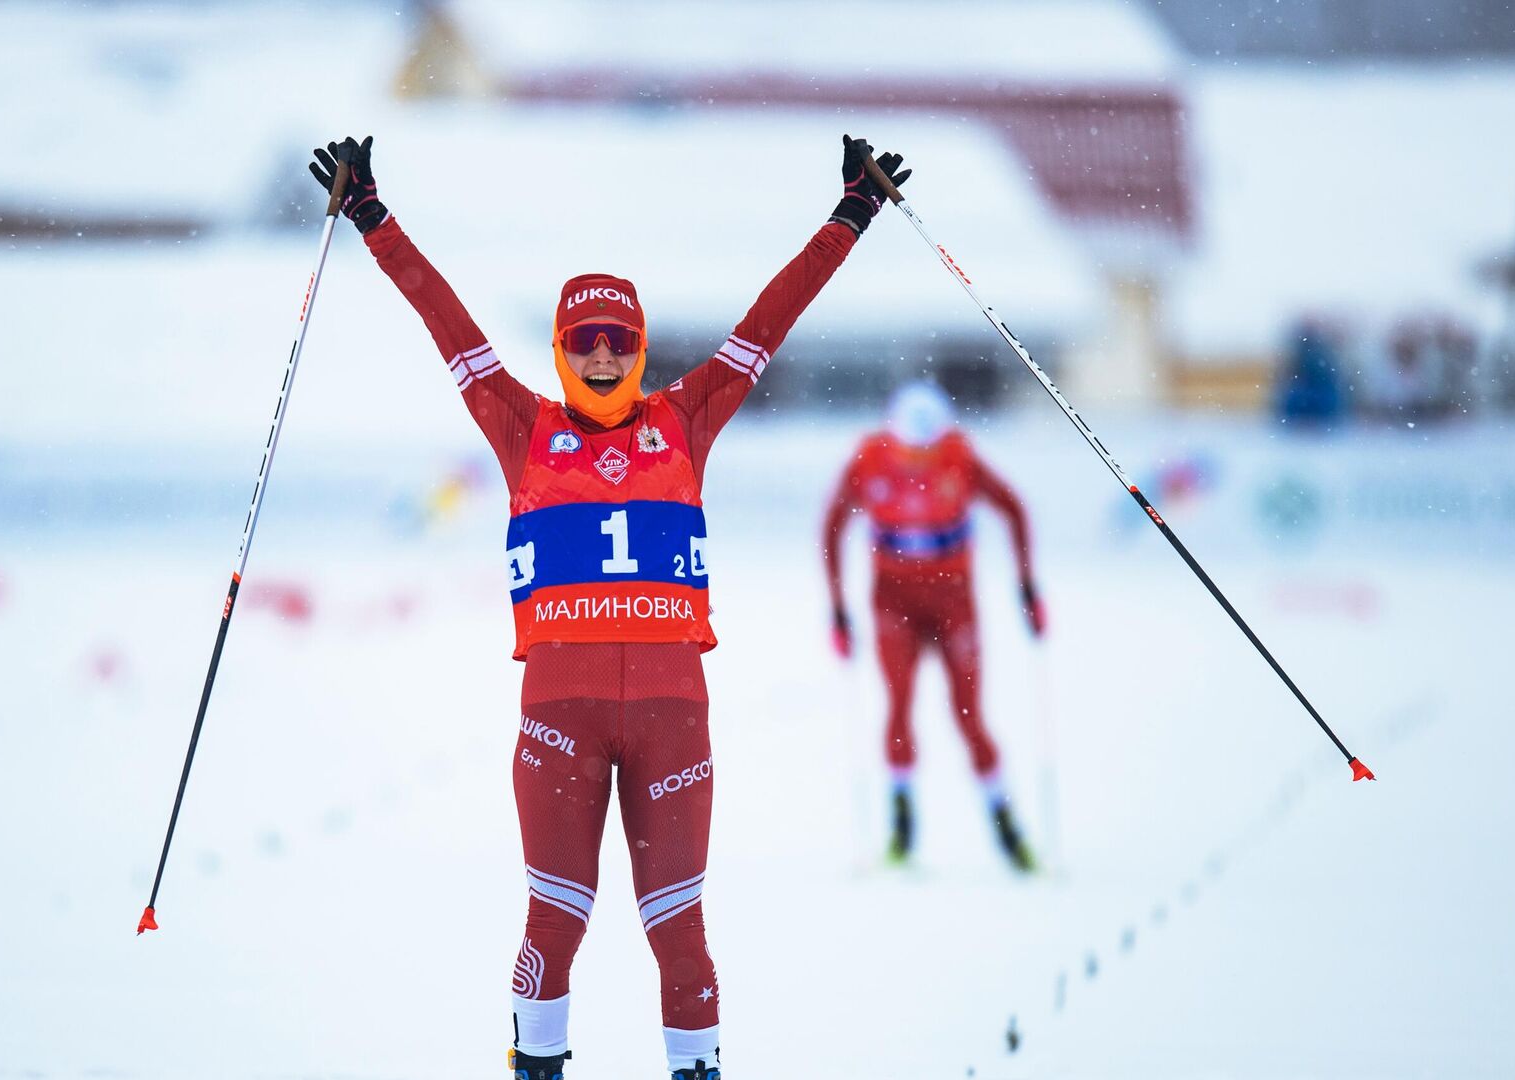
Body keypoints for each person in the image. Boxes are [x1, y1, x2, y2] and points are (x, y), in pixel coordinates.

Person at [310, 134, 911, 1080]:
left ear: (638, 347)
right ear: (558, 349)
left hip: (674, 716)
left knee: (679, 930)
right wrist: (374, 219)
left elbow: (774, 316)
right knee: (557, 916)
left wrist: (850, 217)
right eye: (582, 342)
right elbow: (447, 320)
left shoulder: (688, 414)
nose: (600, 358)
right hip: (560, 717)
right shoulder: (519, 424)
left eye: (618, 341)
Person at [822, 382, 1044, 871]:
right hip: (893, 602)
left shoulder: (959, 457)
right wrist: (838, 608)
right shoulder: (869, 459)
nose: (917, 461)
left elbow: (1014, 509)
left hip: (953, 602)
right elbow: (834, 523)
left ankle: (1005, 823)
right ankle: (901, 825)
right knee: (898, 705)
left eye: (927, 450)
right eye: (908, 450)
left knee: (969, 714)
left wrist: (1027, 587)